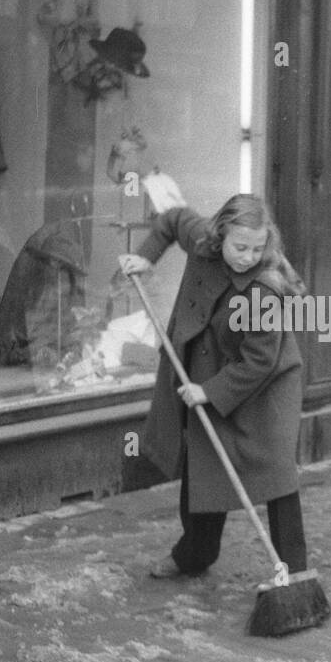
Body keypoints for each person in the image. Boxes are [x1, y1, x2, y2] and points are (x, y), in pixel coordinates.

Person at [117, 194, 308, 580]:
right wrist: (148, 255)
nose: (247, 256)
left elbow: (260, 360)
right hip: (209, 368)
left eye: (257, 248)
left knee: (275, 471)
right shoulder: (203, 238)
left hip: (266, 385)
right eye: (239, 247)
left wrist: (210, 391)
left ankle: (295, 570)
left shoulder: (264, 287)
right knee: (204, 461)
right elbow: (171, 219)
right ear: (221, 236)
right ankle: (195, 554)